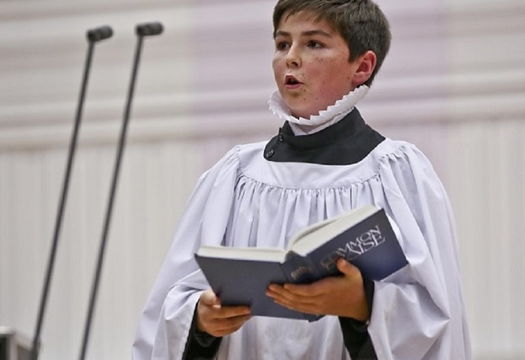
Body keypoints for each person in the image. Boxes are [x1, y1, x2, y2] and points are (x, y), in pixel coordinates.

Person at [132, 0, 471, 359]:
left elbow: (436, 315)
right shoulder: (233, 176)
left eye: (313, 44)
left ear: (362, 65)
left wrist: (362, 303)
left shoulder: (399, 174)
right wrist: (201, 319)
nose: (290, 58)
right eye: (282, 44)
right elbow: (171, 304)